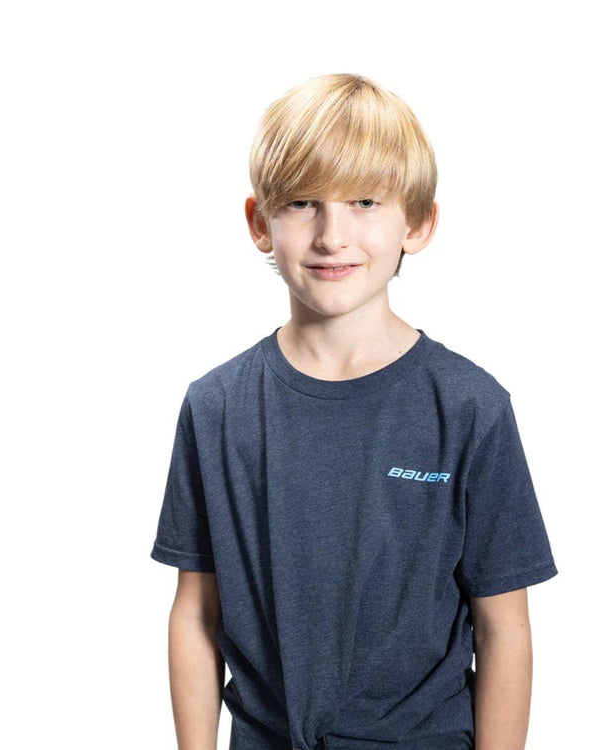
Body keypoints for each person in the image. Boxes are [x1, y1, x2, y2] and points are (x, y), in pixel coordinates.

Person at [150, 72, 558, 750]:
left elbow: (504, 628)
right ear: (259, 223)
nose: (332, 236)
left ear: (418, 223)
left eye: (365, 201)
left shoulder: (470, 408)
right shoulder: (216, 408)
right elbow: (196, 613)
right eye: (302, 203)